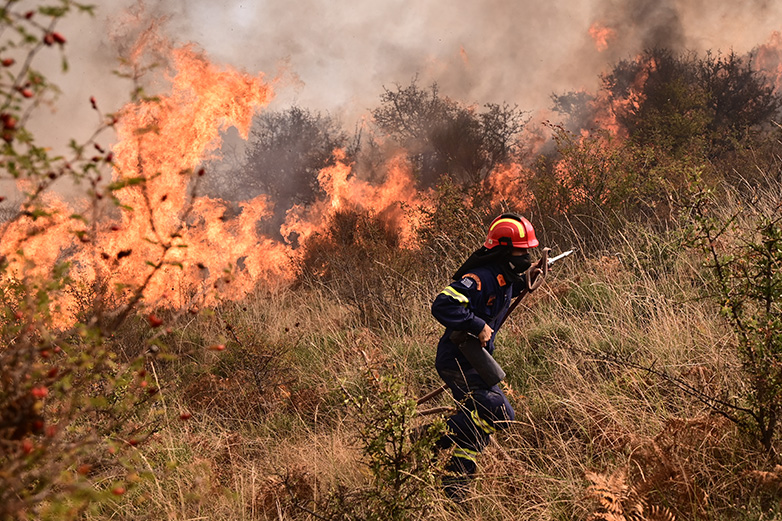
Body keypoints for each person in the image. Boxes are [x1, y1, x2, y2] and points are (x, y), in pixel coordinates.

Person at [431, 212, 539, 501]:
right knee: (499, 412)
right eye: (521, 251)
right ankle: (425, 440)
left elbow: (510, 288)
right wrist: (477, 325)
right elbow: (443, 304)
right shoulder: (479, 278)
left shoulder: (504, 277)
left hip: (476, 361)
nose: (526, 256)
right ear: (504, 249)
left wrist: (530, 277)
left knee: (480, 425)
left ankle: (455, 489)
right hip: (458, 361)